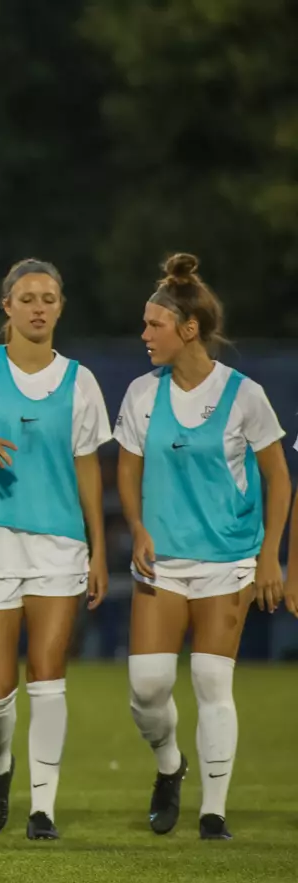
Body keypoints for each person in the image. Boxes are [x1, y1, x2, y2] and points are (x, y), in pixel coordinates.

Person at [0, 258, 112, 841]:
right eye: (27, 297)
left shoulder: (81, 381)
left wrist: (97, 549)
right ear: (6, 306)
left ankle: (43, 809)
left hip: (58, 543)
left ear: (61, 307)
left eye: (50, 298)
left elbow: (88, 468)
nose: (39, 307)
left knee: (48, 675)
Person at [115, 253, 288, 841]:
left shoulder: (245, 395)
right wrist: (137, 527)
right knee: (148, 688)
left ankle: (213, 813)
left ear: (188, 329)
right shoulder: (140, 394)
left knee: (213, 683)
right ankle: (169, 765)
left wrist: (270, 557)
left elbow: (279, 477)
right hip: (162, 563)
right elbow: (127, 472)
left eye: (153, 325)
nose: (144, 335)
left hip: (228, 560)